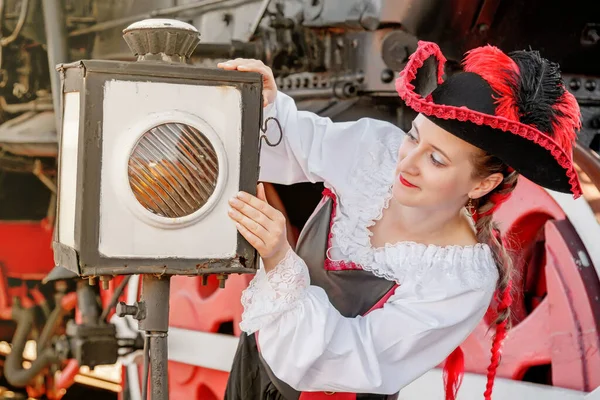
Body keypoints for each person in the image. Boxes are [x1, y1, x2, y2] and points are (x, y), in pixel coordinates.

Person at [218, 41, 582, 400]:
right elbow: (294, 143)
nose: (406, 163)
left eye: (436, 160)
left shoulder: (461, 278)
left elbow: (348, 360)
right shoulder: (377, 153)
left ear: (482, 183)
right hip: (254, 360)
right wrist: (265, 103)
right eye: (414, 137)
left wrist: (281, 261)